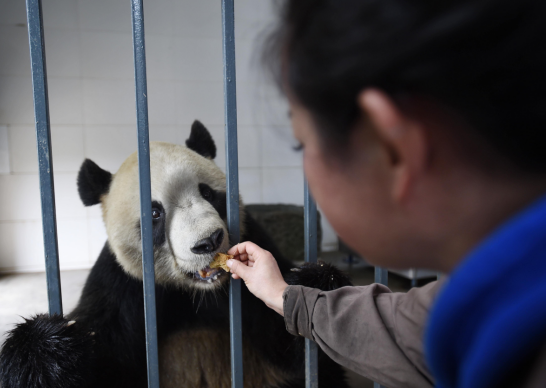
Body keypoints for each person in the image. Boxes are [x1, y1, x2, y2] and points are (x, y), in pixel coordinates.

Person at [225, 0, 546, 387]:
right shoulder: (492, 305)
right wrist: (280, 294)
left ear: (390, 147)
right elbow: (409, 330)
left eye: (302, 143)